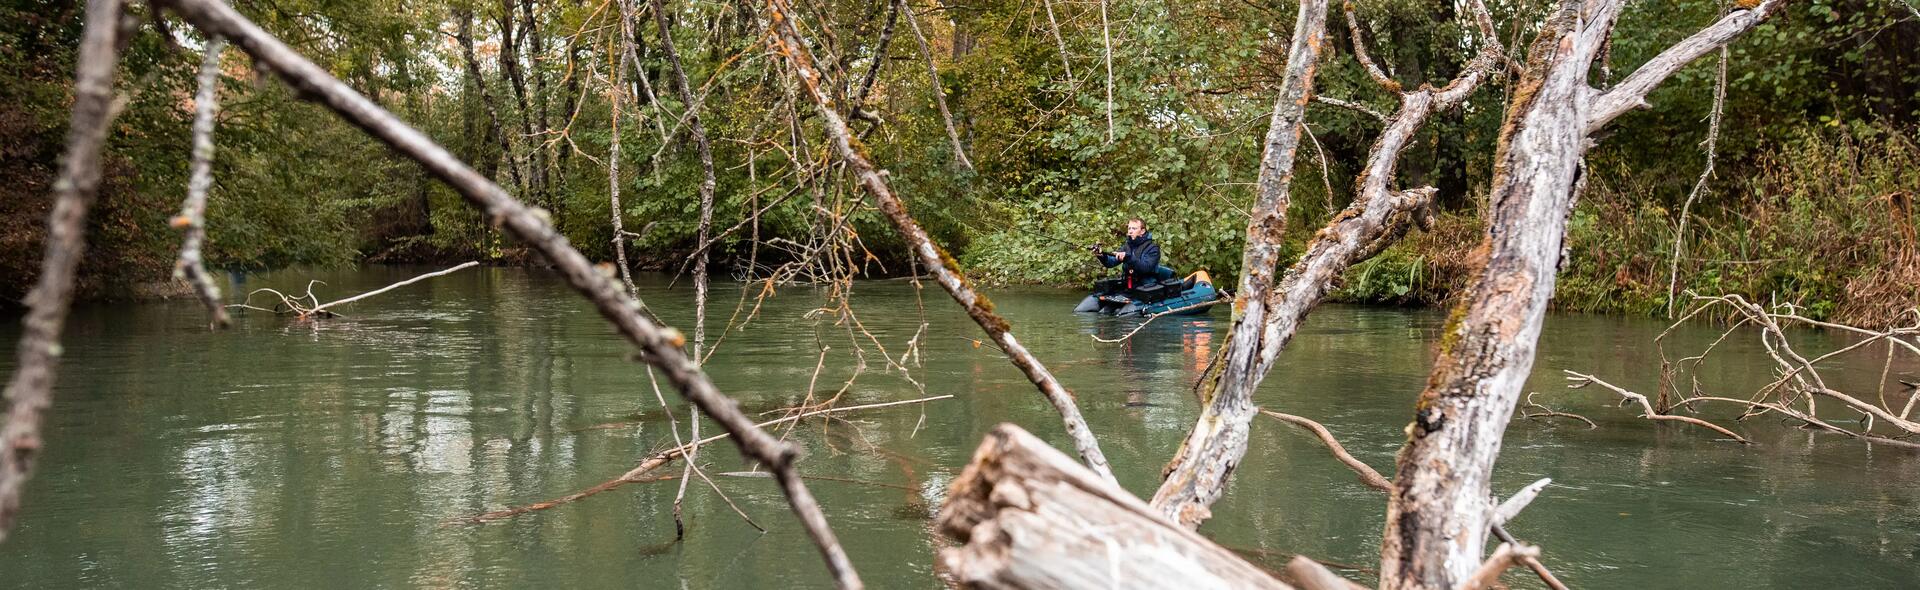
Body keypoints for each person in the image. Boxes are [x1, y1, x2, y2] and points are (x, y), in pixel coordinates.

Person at [1093, 218, 1162, 289]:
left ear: (1142, 231)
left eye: (1134, 228)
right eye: (1129, 228)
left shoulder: (1153, 248)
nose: (1130, 231)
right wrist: (1102, 255)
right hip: (1129, 283)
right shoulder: (1127, 246)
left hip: (1147, 286)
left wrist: (1128, 257)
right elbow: (1111, 262)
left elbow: (1145, 268)